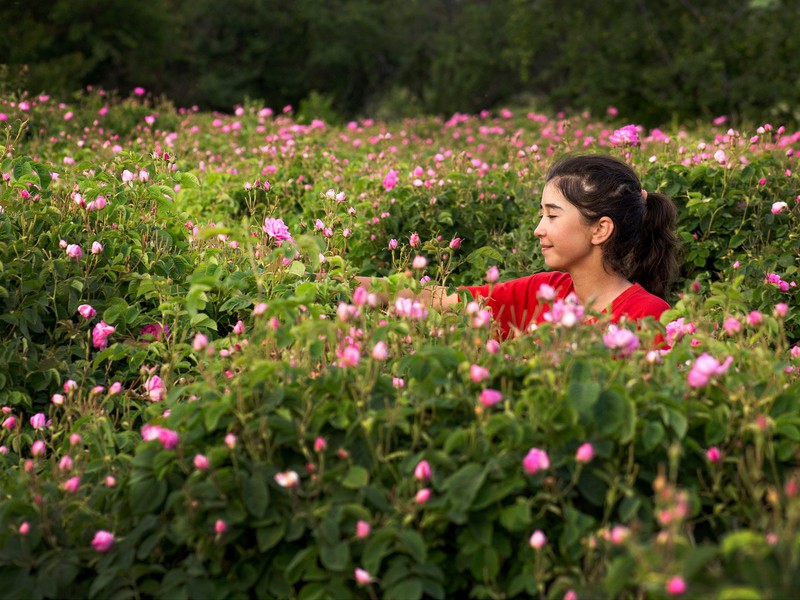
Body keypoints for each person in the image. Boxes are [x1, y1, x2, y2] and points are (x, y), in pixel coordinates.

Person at [356, 154, 680, 339]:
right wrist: (340, 287)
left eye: (552, 215)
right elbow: (444, 301)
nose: (539, 230)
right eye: (542, 214)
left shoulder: (648, 316)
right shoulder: (546, 289)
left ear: (600, 229)